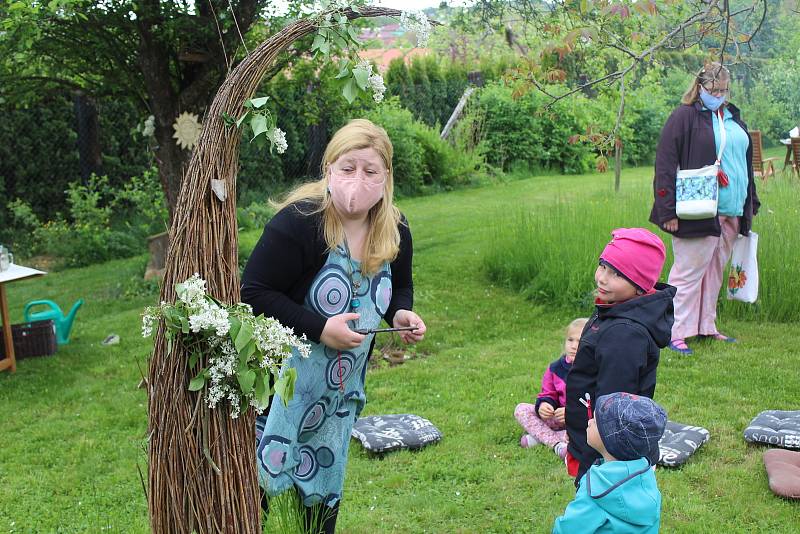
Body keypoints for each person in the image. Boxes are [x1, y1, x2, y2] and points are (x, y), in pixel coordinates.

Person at [241, 119, 427, 533]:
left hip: (339, 397)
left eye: (369, 170)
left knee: (322, 497)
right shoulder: (299, 223)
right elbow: (253, 291)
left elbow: (402, 286)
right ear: (328, 169)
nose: (357, 180)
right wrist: (320, 328)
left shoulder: (395, 227)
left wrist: (400, 314)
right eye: (347, 168)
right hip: (280, 393)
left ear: (386, 178)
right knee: (261, 500)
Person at [649, 62, 760, 356]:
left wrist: (752, 201)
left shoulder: (731, 116)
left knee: (714, 272)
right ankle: (674, 331)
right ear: (700, 87)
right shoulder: (684, 117)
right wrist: (667, 210)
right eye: (714, 89)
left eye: (724, 90)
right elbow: (665, 163)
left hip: (732, 208)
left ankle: (706, 326)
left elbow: (743, 164)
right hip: (697, 210)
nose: (719, 94)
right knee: (687, 273)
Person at [565, 228, 675, 484]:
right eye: (603, 266)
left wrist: (597, 455)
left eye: (616, 274)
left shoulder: (624, 335)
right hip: (591, 434)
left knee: (599, 503)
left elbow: (613, 405)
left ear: (639, 287)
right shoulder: (612, 308)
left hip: (605, 446)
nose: (602, 278)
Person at [552, 392, 667, 534]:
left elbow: (568, 530)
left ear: (610, 440)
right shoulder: (646, 476)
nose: (589, 422)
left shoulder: (595, 491)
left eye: (595, 421)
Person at [514, 317, 588, 459]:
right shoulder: (555, 368)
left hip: (579, 421)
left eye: (580, 341)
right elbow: (547, 393)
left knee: (592, 434)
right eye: (570, 340)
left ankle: (540, 438)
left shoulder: (591, 370)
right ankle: (558, 445)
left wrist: (572, 413)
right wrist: (544, 405)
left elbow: (594, 401)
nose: (573, 346)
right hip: (556, 417)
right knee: (521, 410)